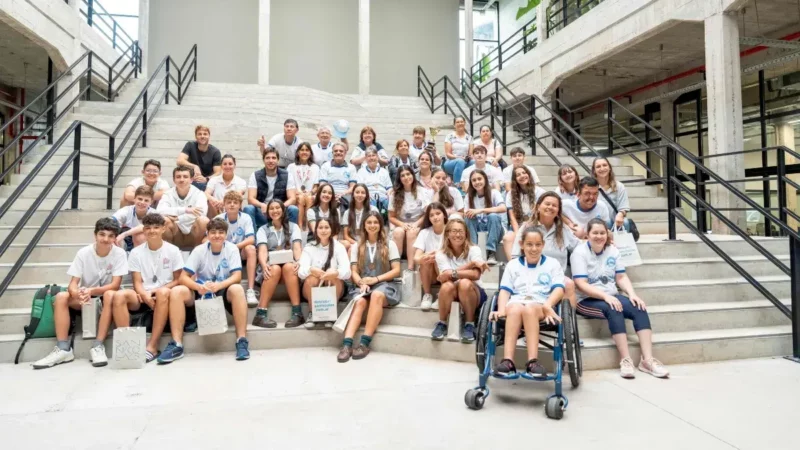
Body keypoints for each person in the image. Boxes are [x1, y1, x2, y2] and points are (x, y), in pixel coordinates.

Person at [571, 219, 669, 379]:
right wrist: (605, 296)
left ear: (607, 234)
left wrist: (632, 294)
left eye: (602, 233)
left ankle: (647, 360)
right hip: (586, 299)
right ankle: (626, 360)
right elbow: (581, 284)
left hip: (611, 295)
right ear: (587, 234)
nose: (599, 236)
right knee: (614, 308)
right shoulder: (579, 252)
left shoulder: (613, 251)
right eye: (595, 233)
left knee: (639, 307)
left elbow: (621, 277)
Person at [32, 218, 127, 369]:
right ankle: (63, 348)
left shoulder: (119, 253)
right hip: (87, 297)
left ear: (115, 238)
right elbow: (73, 284)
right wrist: (77, 294)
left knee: (109, 294)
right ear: (95, 235)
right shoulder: (83, 252)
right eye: (102, 234)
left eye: (110, 236)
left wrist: (91, 290)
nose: (105, 239)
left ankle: (98, 345)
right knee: (61, 297)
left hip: (108, 296)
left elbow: (115, 285)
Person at [158, 218, 250, 364]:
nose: (217, 236)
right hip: (201, 290)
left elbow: (237, 276)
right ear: (207, 234)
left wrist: (219, 285)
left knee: (237, 289)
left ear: (226, 234)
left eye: (221, 232)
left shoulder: (232, 248)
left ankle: (241, 340)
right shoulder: (199, 250)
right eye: (213, 232)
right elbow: (183, 277)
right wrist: (198, 287)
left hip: (222, 289)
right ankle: (177, 344)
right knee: (177, 291)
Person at [492, 227, 566, 377]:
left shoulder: (553, 264)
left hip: (540, 304)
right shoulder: (513, 265)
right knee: (514, 308)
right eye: (529, 244)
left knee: (530, 309)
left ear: (543, 245)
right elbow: (505, 290)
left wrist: (548, 305)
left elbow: (559, 289)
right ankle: (508, 361)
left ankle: (533, 362)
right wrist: (501, 310)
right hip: (517, 302)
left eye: (538, 244)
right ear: (521, 244)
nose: (534, 249)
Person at [111, 213, 183, 363]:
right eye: (148, 228)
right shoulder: (136, 252)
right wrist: (144, 294)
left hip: (164, 293)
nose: (152, 231)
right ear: (144, 230)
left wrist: (154, 291)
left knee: (163, 292)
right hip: (143, 293)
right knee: (119, 296)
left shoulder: (173, 250)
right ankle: (128, 346)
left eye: (156, 227)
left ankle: (152, 346)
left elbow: (177, 280)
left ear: (163, 229)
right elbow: (137, 282)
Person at [338, 212, 402, 362]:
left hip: (384, 284)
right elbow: (354, 271)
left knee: (376, 295)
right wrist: (361, 282)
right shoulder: (356, 246)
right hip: (364, 284)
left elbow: (396, 270)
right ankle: (347, 344)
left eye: (375, 222)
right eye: (369, 222)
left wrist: (376, 279)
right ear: (364, 226)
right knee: (360, 301)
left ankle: (364, 343)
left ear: (380, 225)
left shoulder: (390, 244)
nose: (372, 225)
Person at [511, 193, 580, 308]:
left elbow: (579, 246)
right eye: (547, 204)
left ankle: (568, 318)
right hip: (530, 274)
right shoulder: (527, 227)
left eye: (554, 205)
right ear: (538, 207)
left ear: (558, 211)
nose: (550, 207)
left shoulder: (563, 229)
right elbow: (515, 256)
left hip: (556, 277)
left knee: (569, 284)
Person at [431, 218, 489, 342]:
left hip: (474, 292)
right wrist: (471, 264)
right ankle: (442, 323)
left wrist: (452, 273)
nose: (458, 235)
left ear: (466, 234)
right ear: (447, 234)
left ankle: (470, 324)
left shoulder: (474, 249)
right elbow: (446, 277)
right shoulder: (440, 254)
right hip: (452, 291)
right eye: (454, 231)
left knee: (464, 283)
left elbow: (475, 275)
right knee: (446, 286)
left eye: (461, 231)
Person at [253, 200, 305, 329]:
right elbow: (262, 250)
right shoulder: (263, 229)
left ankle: (297, 313)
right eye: (271, 208)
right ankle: (260, 314)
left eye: (277, 208)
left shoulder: (293, 227)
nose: (275, 211)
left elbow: (297, 247)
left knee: (289, 267)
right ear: (267, 212)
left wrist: (299, 261)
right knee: (274, 269)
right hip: (271, 267)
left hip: (289, 267)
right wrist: (264, 265)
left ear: (283, 210)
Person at [298, 218, 351, 326]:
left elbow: (347, 272)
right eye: (320, 227)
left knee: (334, 277)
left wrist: (335, 272)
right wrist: (311, 270)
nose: (323, 230)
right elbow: (301, 272)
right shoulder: (309, 247)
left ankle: (331, 315)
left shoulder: (339, 247)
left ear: (331, 230)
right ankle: (312, 314)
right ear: (316, 230)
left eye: (326, 227)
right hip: (312, 288)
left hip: (334, 286)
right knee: (311, 278)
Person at [215, 190, 258, 306]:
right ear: (224, 205)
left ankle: (250, 290)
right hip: (224, 251)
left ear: (240, 205)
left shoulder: (246, 217)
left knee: (251, 248)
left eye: (235, 202)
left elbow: (251, 239)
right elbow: (206, 239)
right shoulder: (218, 219)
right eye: (229, 202)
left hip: (240, 250)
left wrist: (235, 247)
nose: (232, 205)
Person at [245, 148, 298, 229]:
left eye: (273, 158)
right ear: (263, 160)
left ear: (278, 160)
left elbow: (292, 199)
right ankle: (253, 236)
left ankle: (289, 235)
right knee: (248, 208)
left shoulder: (287, 175)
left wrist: (279, 207)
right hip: (263, 212)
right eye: (267, 158)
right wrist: (262, 205)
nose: (270, 161)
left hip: (280, 213)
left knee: (293, 209)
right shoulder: (255, 175)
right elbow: (250, 199)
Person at [157, 166, 209, 248]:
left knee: (203, 220)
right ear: (174, 180)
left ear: (191, 179)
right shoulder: (167, 194)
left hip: (193, 231)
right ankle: (168, 251)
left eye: (185, 177)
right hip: (176, 231)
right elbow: (160, 211)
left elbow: (201, 213)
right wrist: (185, 210)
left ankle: (197, 251)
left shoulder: (199, 194)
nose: (181, 179)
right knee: (164, 220)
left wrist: (178, 218)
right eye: (178, 177)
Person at [388, 166, 429, 269]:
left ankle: (410, 268)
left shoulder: (422, 191)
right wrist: (402, 224)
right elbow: (391, 217)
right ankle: (395, 267)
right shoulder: (394, 194)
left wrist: (416, 224)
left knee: (411, 232)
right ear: (399, 179)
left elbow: (427, 213)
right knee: (398, 232)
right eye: (403, 175)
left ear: (413, 175)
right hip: (401, 224)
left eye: (408, 174)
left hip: (418, 224)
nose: (406, 177)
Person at [464, 170, 508, 265]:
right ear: (471, 183)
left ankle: (491, 252)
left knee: (493, 216)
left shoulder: (494, 192)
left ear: (485, 179)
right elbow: (466, 213)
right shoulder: (469, 196)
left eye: (479, 179)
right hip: (477, 228)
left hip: (495, 229)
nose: (477, 182)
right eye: (474, 180)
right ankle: (475, 252)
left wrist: (481, 210)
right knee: (468, 218)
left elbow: (503, 208)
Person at [502, 165, 546, 259]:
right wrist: (517, 232)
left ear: (529, 175)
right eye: (518, 175)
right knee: (507, 238)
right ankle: (512, 264)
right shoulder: (510, 194)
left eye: (524, 173)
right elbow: (512, 217)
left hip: (536, 224)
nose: (522, 176)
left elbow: (540, 214)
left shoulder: (539, 192)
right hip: (518, 225)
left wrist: (527, 226)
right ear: (515, 179)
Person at [413, 202, 449, 311]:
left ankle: (442, 295)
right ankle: (427, 295)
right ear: (428, 218)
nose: (435, 217)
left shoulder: (451, 230)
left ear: (444, 215)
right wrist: (425, 257)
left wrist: (438, 256)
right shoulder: (424, 232)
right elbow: (416, 258)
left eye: (438, 213)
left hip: (448, 271)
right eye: (431, 215)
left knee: (438, 257)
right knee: (425, 260)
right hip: (431, 274)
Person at [178, 125, 222, 191]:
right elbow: (179, 161)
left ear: (209, 136)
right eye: (199, 134)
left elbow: (218, 172)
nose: (202, 136)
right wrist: (195, 166)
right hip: (191, 181)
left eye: (205, 134)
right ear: (196, 136)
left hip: (207, 183)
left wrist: (206, 179)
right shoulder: (190, 145)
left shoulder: (215, 152)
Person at [287, 142, 320, 230]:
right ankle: (300, 227)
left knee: (309, 198)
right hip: (295, 193)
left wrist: (311, 192)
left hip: (310, 194)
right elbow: (289, 184)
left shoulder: (315, 167)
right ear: (298, 152)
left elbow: (316, 186)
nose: (304, 152)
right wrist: (297, 192)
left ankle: (309, 228)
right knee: (300, 198)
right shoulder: (291, 166)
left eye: (307, 150)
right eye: (302, 150)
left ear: (310, 153)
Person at [592, 157, 631, 231]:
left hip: (615, 220)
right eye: (598, 166)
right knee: (607, 222)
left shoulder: (619, 186)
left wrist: (620, 215)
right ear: (594, 171)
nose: (602, 168)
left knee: (625, 222)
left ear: (609, 168)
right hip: (597, 220)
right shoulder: (591, 187)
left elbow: (623, 207)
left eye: (604, 165)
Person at [319, 142, 357, 210]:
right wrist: (331, 194)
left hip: (345, 194)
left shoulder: (351, 167)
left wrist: (342, 194)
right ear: (332, 153)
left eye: (341, 151)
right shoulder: (325, 166)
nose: (338, 152)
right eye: (336, 151)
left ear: (345, 153)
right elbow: (322, 185)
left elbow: (352, 187)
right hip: (328, 194)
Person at [307, 183, 344, 249]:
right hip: (315, 241)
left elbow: (336, 233)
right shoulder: (311, 211)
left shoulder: (336, 211)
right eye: (324, 192)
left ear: (332, 196)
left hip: (331, 242)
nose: (326, 195)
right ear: (319, 194)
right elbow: (315, 231)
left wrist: (331, 245)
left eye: (329, 193)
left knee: (346, 244)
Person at [342, 183, 378, 247]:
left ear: (366, 195)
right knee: (346, 244)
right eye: (357, 192)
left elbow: (377, 231)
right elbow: (346, 235)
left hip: (369, 242)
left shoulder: (373, 209)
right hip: (353, 243)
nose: (360, 195)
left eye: (363, 193)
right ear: (353, 194)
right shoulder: (347, 212)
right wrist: (357, 244)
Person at [442, 116, 473, 187]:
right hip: (451, 162)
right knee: (460, 161)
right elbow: (448, 154)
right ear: (454, 125)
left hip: (465, 161)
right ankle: (457, 185)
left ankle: (471, 185)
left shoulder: (469, 138)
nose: (460, 123)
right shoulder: (449, 136)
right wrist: (458, 158)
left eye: (461, 122)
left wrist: (468, 157)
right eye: (457, 122)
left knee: (474, 162)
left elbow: (470, 154)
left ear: (464, 123)